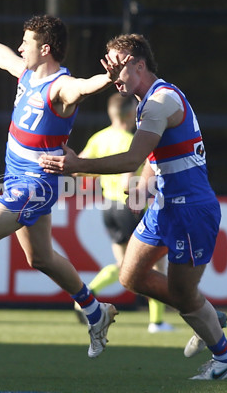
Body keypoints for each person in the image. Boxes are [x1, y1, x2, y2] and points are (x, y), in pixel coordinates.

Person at [40, 33, 227, 380]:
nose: (112, 71)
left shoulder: (159, 101)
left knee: (181, 293)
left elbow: (133, 156)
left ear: (139, 63)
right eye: (108, 63)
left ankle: (224, 358)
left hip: (191, 209)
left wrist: (77, 165)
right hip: (164, 206)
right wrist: (145, 182)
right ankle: (201, 308)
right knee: (129, 275)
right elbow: (154, 155)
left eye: (118, 64)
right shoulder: (148, 102)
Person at [0, 9, 128, 363]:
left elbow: (82, 88)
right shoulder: (27, 74)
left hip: (34, 186)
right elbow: (2, 56)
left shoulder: (60, 86)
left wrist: (107, 77)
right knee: (40, 257)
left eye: (27, 42)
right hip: (16, 179)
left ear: (46, 49)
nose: (20, 47)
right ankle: (95, 310)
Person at [74, 92, 174, 333]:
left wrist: (101, 176)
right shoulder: (133, 140)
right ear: (131, 113)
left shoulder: (100, 138)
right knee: (156, 263)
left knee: (123, 265)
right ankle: (157, 322)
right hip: (131, 206)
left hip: (109, 207)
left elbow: (78, 169)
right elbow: (130, 177)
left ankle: (85, 297)